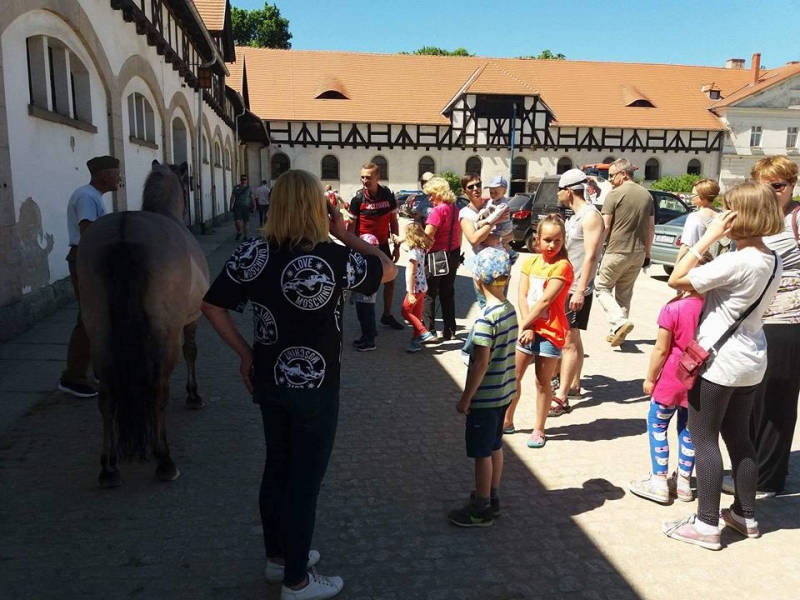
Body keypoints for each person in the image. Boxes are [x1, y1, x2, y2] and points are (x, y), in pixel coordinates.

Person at [202, 169, 397, 599]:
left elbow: (212, 305)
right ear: (317, 208)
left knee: (277, 466)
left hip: (269, 378)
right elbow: (387, 270)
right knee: (304, 481)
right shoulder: (334, 256)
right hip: (318, 385)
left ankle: (279, 559)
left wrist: (245, 354)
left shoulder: (252, 251)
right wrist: (343, 233)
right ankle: (297, 581)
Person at [662, 182, 783, 551]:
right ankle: (745, 515)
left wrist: (707, 237)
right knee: (740, 437)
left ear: (739, 216)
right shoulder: (771, 258)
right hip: (751, 358)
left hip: (719, 361)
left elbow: (676, 278)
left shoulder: (737, 261)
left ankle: (706, 523)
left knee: (703, 438)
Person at [721, 156, 800, 499]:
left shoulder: (796, 219)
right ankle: (754, 469)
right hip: (755, 321)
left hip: (787, 322)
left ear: (792, 186)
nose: (770, 192)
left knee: (775, 403)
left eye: (778, 186)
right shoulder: (757, 220)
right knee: (750, 400)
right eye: (763, 186)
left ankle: (766, 479)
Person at [449, 247, 518, 527]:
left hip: (485, 399)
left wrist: (466, 398)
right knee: (495, 446)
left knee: (481, 454)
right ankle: (493, 495)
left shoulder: (484, 320)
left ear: (477, 281)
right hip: (504, 393)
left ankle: (481, 508)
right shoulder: (509, 310)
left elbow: (480, 364)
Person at [629, 285, 706, 505]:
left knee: (657, 425)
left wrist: (650, 378)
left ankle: (659, 480)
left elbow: (661, 349)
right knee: (689, 431)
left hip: (671, 379)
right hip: (698, 380)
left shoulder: (673, 308)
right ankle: (683, 483)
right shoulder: (712, 307)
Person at [504, 215, 574, 448]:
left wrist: (526, 326)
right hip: (528, 328)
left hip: (550, 332)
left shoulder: (563, 266)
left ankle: (539, 429)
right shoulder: (530, 263)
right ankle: (507, 421)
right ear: (538, 240)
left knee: (542, 382)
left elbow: (545, 301)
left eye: (557, 240)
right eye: (547, 240)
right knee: (513, 376)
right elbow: (522, 295)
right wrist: (527, 326)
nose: (552, 245)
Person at [58, 155, 120, 398]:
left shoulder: (93, 195)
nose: (119, 178)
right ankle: (72, 378)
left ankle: (97, 370)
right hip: (87, 259)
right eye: (116, 174)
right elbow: (89, 232)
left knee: (98, 315)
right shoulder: (87, 196)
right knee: (89, 317)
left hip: (90, 258)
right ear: (104, 176)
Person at [552, 169, 605, 412]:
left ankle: (562, 397)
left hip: (577, 287)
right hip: (567, 285)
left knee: (568, 341)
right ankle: (574, 384)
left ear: (569, 191)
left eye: (559, 190)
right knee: (573, 336)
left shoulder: (590, 216)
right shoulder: (575, 216)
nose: (558, 194)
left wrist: (580, 290)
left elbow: (591, 256)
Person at [595, 158, 655, 347]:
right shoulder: (647, 195)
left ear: (623, 174)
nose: (610, 180)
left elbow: (605, 226)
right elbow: (651, 227)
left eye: (612, 176)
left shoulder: (614, 194)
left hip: (616, 250)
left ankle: (619, 322)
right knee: (624, 293)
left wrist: (596, 251)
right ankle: (617, 332)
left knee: (601, 287)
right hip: (638, 253)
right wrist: (647, 254)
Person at [459, 172, 509, 363]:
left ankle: (491, 351)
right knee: (487, 310)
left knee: (498, 309)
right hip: (482, 268)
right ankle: (469, 350)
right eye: (471, 187)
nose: (476, 189)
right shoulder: (466, 214)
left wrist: (498, 236)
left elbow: (510, 234)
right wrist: (494, 222)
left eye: (478, 184)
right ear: (464, 191)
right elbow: (474, 239)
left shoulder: (493, 204)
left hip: (500, 263)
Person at [348, 162, 404, 330]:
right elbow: (350, 229)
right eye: (362, 177)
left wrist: (396, 247)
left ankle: (387, 316)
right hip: (364, 247)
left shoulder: (387, 195)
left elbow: (393, 222)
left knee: (391, 280)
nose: (365, 180)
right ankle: (367, 327)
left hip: (383, 245)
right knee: (367, 285)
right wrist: (351, 252)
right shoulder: (357, 199)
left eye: (368, 177)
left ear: (378, 177)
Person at [422, 176, 462, 342]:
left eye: (431, 195)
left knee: (429, 294)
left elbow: (427, 236)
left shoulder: (437, 211)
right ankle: (449, 330)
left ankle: (429, 331)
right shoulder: (455, 209)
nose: (430, 199)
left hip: (437, 256)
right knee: (447, 293)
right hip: (453, 253)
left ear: (439, 193)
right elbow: (459, 233)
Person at [399, 222, 435, 353]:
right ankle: (415, 342)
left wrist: (410, 293)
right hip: (423, 286)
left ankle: (423, 332)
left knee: (405, 311)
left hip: (415, 288)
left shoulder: (413, 254)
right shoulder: (421, 249)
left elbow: (412, 273)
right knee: (416, 314)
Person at [675, 178, 721, 263]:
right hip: (718, 264)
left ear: (703, 195)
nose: (691, 197)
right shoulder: (723, 216)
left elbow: (686, 246)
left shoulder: (694, 217)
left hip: (699, 264)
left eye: (693, 195)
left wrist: (677, 265)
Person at [351, 234, 381, 352]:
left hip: (368, 294)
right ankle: (365, 337)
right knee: (362, 317)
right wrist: (353, 294)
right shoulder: (361, 260)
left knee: (368, 317)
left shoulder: (374, 262)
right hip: (360, 293)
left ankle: (370, 341)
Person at [230, 174, 255, 240]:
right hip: (237, 207)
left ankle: (245, 235)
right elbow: (232, 197)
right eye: (242, 179)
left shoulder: (249, 188)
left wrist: (254, 206)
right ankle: (239, 232)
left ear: (247, 180)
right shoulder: (236, 188)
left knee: (246, 222)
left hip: (246, 207)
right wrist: (231, 205)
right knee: (237, 221)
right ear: (240, 180)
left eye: (245, 179)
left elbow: (252, 198)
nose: (243, 180)